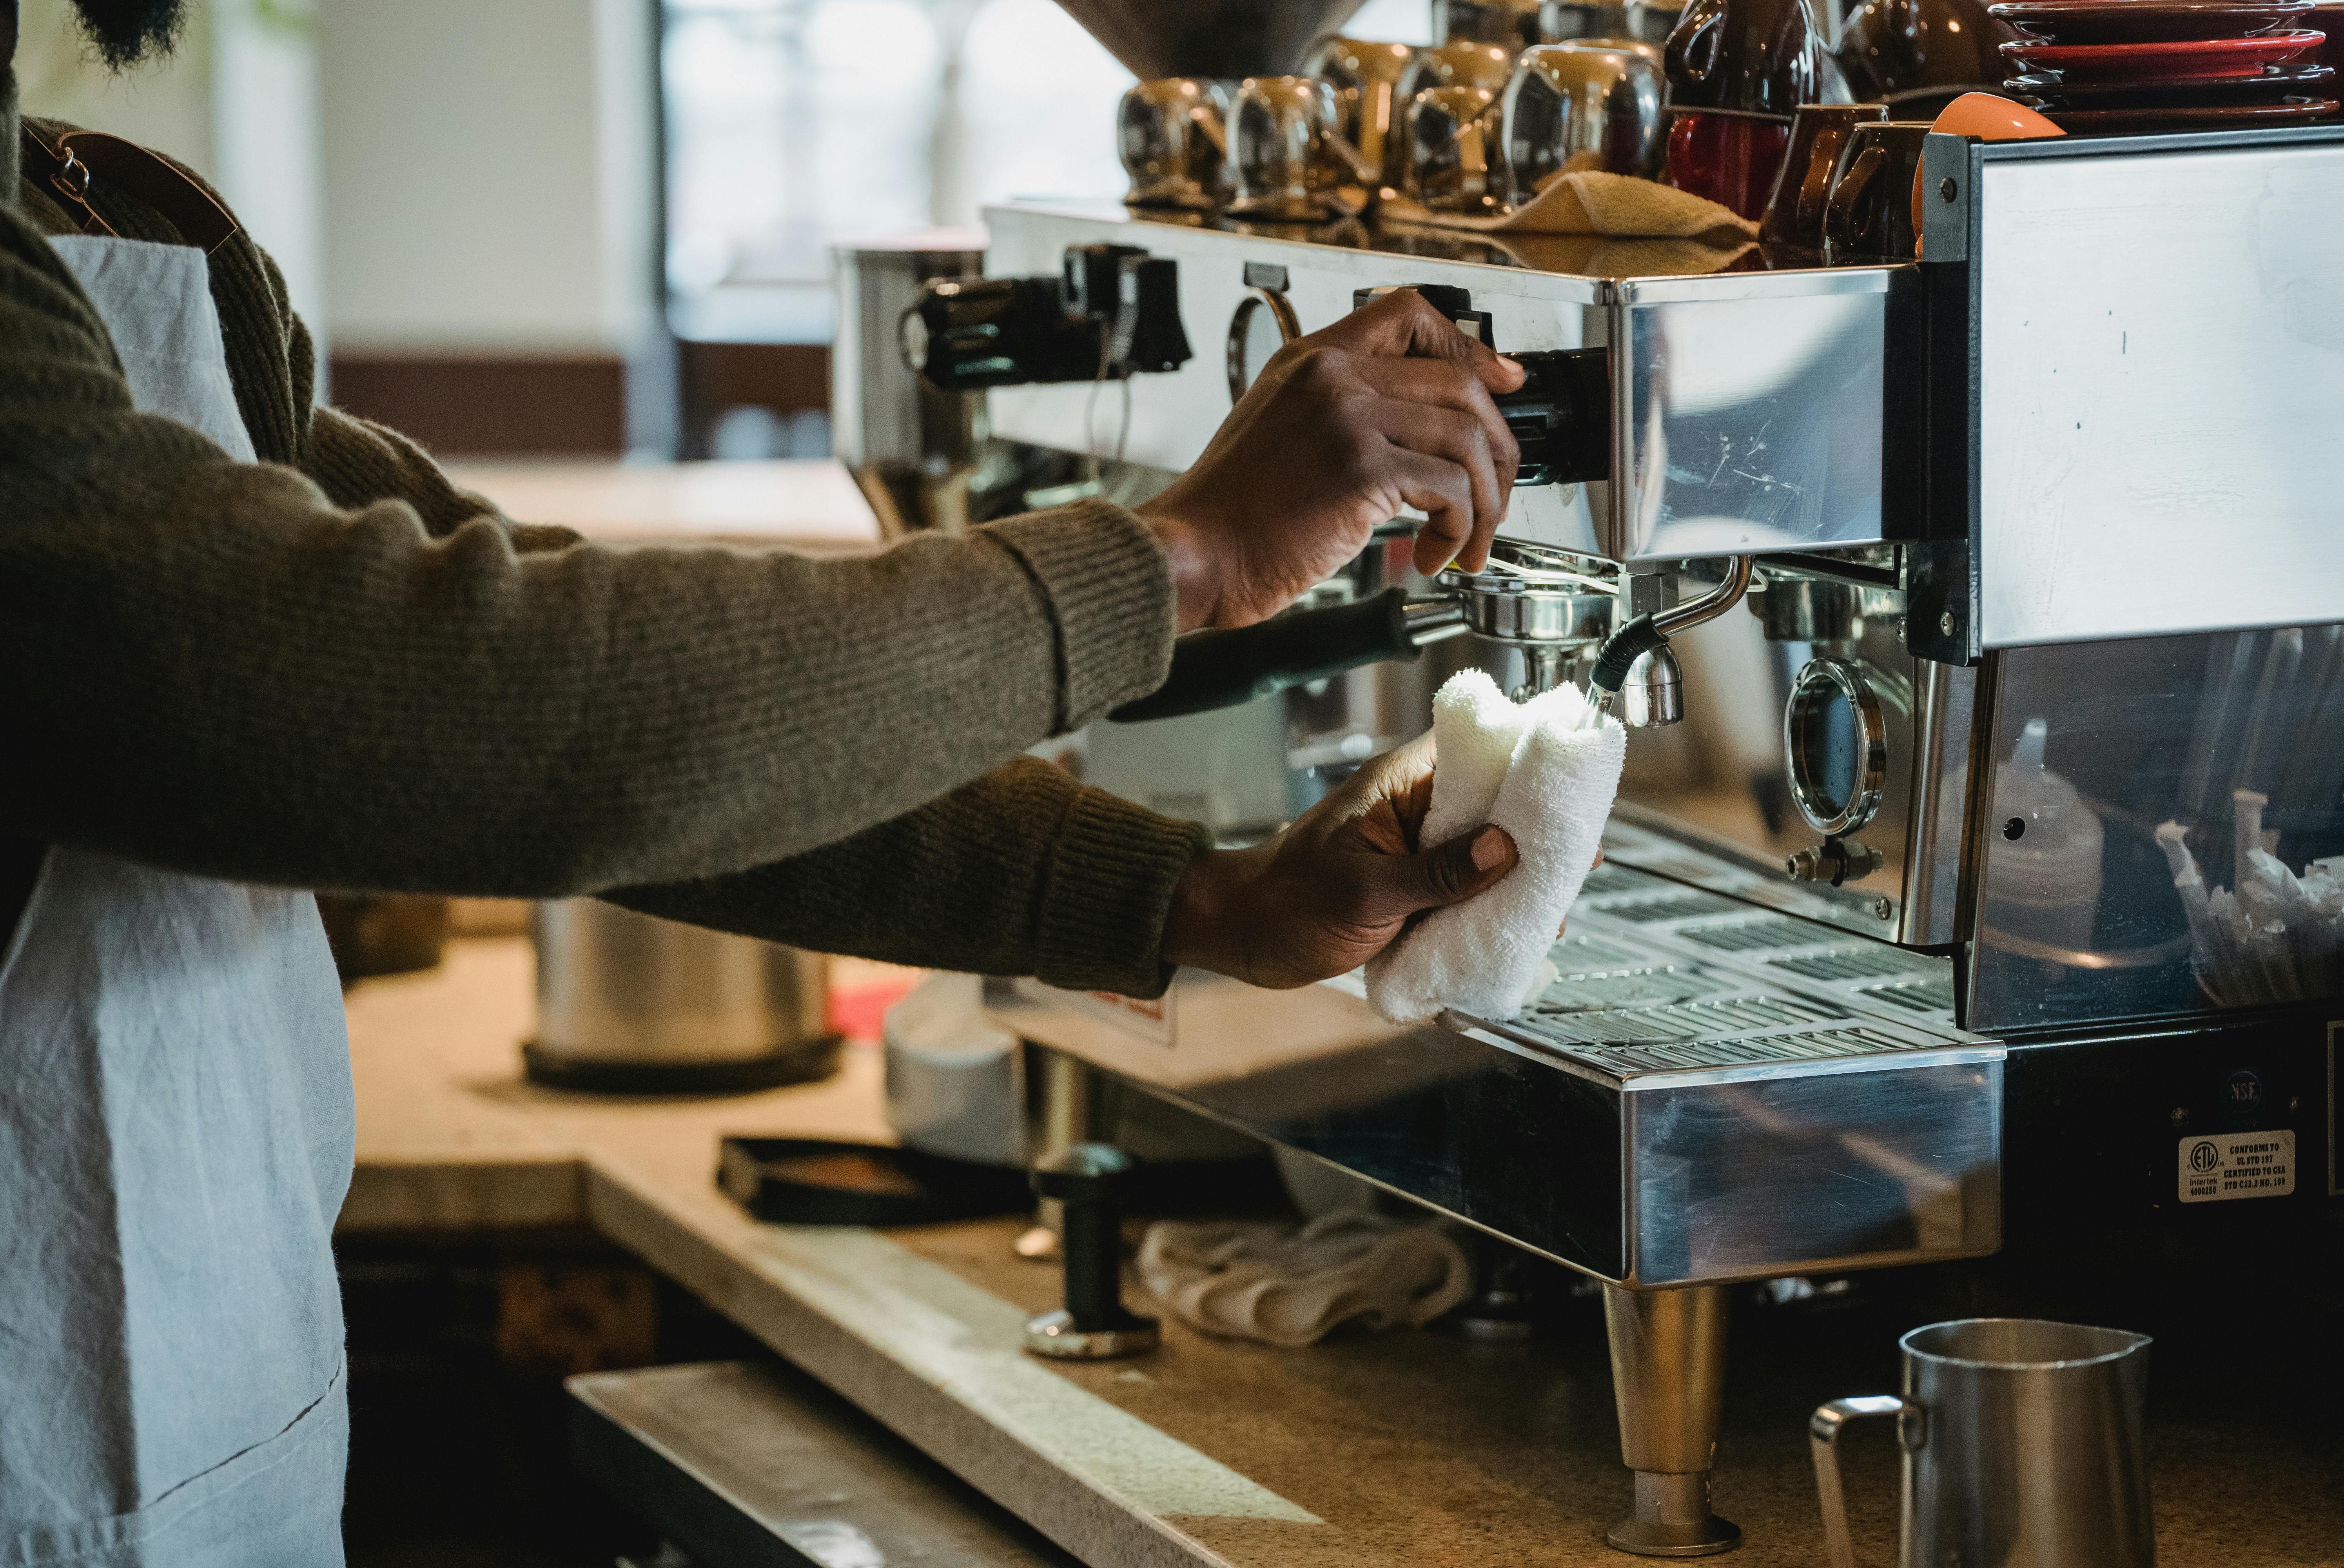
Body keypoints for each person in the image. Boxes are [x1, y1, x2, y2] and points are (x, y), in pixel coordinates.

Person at [0, 2, 1529, 1562]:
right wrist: (1182, 557)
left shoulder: (88, 209)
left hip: (204, 1446)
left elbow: (536, 626)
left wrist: (1200, 899)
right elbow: (450, 696)